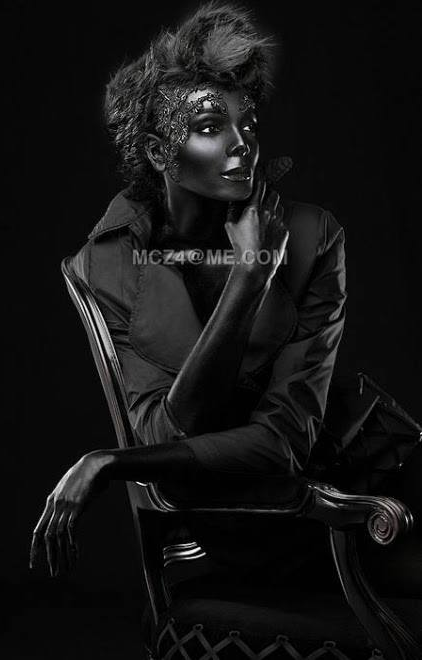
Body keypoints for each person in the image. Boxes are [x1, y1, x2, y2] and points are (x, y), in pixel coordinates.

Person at [30, 1, 347, 589]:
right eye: (209, 127)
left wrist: (253, 272)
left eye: (248, 123)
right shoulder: (108, 264)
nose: (242, 144)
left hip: (342, 509)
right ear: (159, 153)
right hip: (208, 534)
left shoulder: (311, 237)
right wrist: (247, 280)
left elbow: (282, 443)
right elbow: (170, 433)